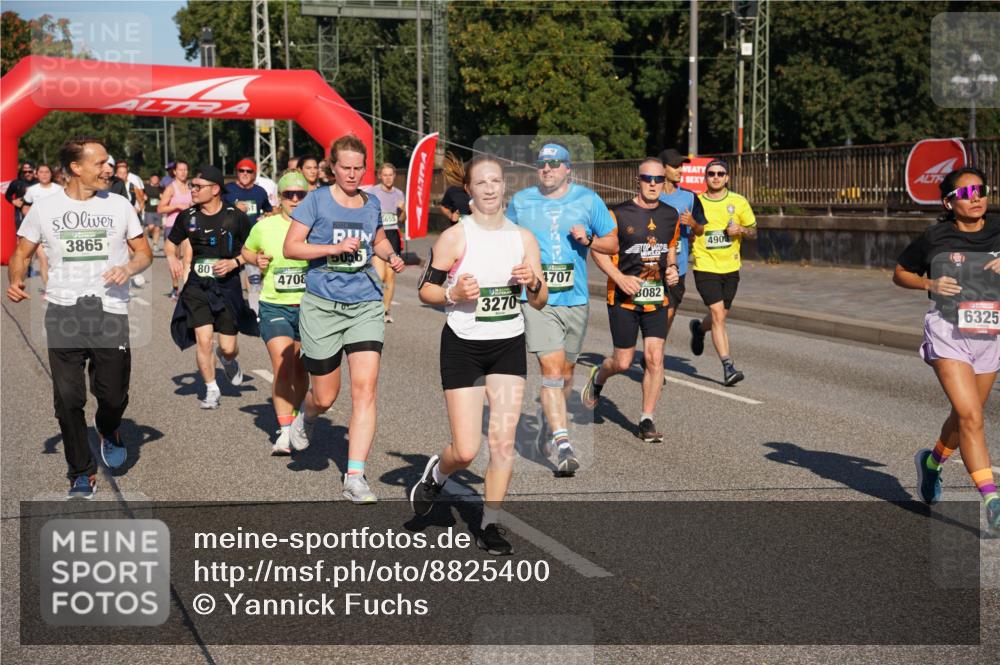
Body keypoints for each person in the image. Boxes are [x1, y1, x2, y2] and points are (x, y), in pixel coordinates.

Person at [410, 154, 547, 555]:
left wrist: (533, 281)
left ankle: (490, 523)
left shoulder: (522, 238)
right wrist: (454, 293)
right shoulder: (456, 236)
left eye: (496, 181)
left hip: (507, 343)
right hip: (463, 345)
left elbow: (539, 300)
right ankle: (438, 472)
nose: (490, 188)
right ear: (468, 190)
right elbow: (426, 290)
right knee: (467, 449)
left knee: (503, 444)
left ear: (505, 186)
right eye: (482, 183)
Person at [6, 137, 152, 499]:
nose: (108, 168)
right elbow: (21, 252)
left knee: (114, 396)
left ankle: (108, 427)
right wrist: (15, 278)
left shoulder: (119, 205)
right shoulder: (45, 208)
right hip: (64, 310)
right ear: (76, 167)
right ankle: (81, 471)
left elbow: (144, 253)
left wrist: (129, 267)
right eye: (101, 163)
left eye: (108, 162)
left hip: (110, 311)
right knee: (68, 399)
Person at [283, 134, 405, 504]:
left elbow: (378, 239)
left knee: (365, 389)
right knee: (326, 394)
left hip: (365, 302)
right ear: (331, 167)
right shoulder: (316, 201)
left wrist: (390, 255)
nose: (352, 174)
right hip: (322, 304)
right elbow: (292, 247)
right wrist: (332, 248)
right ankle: (307, 413)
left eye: (357, 168)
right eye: (345, 167)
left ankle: (355, 475)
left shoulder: (370, 204)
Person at [894, 166, 1000, 532]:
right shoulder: (935, 236)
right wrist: (930, 282)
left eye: (981, 191)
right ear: (949, 202)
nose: (977, 198)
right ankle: (992, 499)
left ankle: (933, 462)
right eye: (967, 194)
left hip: (990, 332)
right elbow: (900, 273)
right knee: (971, 417)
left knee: (964, 416)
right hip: (948, 331)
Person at [506, 143, 618, 477]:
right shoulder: (522, 201)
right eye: (542, 163)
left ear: (568, 168)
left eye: (554, 164)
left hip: (576, 299)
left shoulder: (587, 199)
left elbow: (612, 243)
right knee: (552, 370)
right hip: (538, 299)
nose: (547, 169)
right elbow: (505, 239)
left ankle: (549, 427)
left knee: (566, 373)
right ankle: (564, 446)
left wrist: (588, 242)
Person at [583, 158, 680, 442]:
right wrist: (619, 277)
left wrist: (672, 268)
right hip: (623, 298)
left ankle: (646, 419)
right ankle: (598, 377)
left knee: (654, 357)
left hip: (656, 298)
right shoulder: (618, 214)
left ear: (665, 182)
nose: (653, 184)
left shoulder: (671, 214)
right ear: (637, 180)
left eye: (658, 179)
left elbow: (671, 246)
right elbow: (598, 250)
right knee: (623, 362)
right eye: (647, 178)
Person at [166, 165, 256, 410]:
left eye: (198, 186)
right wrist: (172, 257)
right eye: (192, 185)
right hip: (197, 286)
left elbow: (251, 250)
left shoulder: (234, 217)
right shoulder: (188, 216)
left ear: (215, 189)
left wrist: (234, 262)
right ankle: (211, 389)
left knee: (227, 347)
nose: (192, 190)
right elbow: (171, 241)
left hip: (227, 287)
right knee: (203, 340)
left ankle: (228, 361)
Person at [241, 171, 311, 455]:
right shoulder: (265, 227)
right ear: (279, 198)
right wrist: (255, 258)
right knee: (283, 365)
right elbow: (246, 251)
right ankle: (284, 431)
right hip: (274, 304)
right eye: (288, 194)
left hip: (310, 307)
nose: (294, 199)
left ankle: (298, 417)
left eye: (300, 194)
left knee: (301, 368)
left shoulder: (317, 226)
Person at [688, 158, 757, 386]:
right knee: (718, 315)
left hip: (731, 268)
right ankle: (728, 366)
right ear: (705, 178)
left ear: (727, 177)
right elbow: (690, 230)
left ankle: (699, 329)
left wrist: (742, 229)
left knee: (720, 316)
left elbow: (754, 232)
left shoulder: (738, 201)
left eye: (720, 173)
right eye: (711, 174)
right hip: (705, 266)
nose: (716, 177)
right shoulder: (696, 202)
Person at [658, 148, 707, 341]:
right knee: (653, 312)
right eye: (675, 166)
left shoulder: (689, 197)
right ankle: (653, 349)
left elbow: (701, 229)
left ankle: (654, 351)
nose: (680, 170)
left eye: (682, 166)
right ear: (663, 169)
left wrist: (693, 224)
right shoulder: (651, 194)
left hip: (678, 266)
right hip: (651, 264)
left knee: (670, 311)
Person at [224, 158, 273, 312]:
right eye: (241, 170)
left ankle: (254, 312)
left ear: (254, 173)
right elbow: (215, 209)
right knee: (229, 277)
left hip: (252, 242)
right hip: (231, 241)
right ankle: (229, 307)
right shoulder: (228, 190)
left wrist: (266, 217)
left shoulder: (260, 192)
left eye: (249, 171)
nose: (245, 174)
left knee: (254, 278)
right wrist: (232, 207)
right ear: (237, 172)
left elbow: (270, 211)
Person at [363, 162, 406, 323]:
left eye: (391, 175)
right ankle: (373, 305)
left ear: (394, 176)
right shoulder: (373, 192)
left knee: (391, 275)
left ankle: (386, 310)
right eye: (385, 175)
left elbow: (402, 219)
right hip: (378, 234)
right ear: (380, 176)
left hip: (393, 234)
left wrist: (403, 210)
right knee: (379, 275)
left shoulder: (399, 194)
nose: (388, 178)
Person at [23, 164, 64, 298]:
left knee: (58, 259)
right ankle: (49, 289)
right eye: (41, 172)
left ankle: (62, 286)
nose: (44, 175)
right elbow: (25, 207)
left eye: (47, 172)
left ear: (51, 174)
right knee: (43, 259)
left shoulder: (59, 189)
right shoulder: (32, 190)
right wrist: (30, 222)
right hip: (40, 230)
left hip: (57, 230)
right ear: (37, 174)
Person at [158, 160, 193, 300]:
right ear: (175, 172)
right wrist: (177, 206)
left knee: (188, 259)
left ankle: (187, 289)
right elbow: (160, 208)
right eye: (180, 170)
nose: (183, 172)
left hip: (190, 226)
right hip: (173, 227)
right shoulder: (171, 188)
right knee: (176, 260)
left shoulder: (191, 187)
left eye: (185, 169)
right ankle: (175, 287)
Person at [440, 152, 471, 224]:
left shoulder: (482, 190)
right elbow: (443, 207)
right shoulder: (453, 190)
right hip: (457, 231)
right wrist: (451, 215)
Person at [5, 161, 36, 229]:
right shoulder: (16, 183)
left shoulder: (38, 182)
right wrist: (13, 201)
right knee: (22, 237)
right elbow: (7, 195)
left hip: (36, 214)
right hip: (20, 214)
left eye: (30, 171)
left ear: (34, 171)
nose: (27, 174)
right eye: (25, 172)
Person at [143, 173, 164, 253]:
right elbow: (141, 195)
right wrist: (143, 197)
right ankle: (149, 234)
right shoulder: (146, 187)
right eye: (154, 178)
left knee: (158, 228)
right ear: (151, 179)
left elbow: (164, 197)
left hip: (158, 210)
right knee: (151, 227)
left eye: (157, 178)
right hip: (149, 210)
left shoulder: (161, 188)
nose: (155, 180)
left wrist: (162, 197)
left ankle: (155, 245)